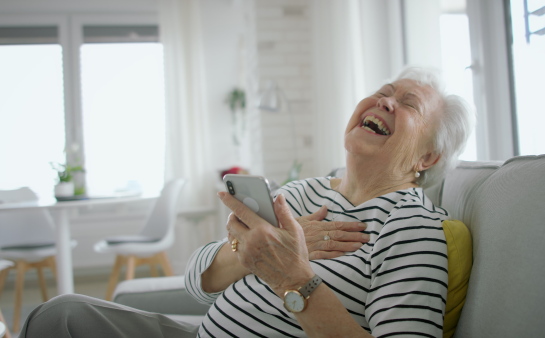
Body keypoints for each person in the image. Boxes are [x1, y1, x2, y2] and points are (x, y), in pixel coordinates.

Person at [18, 66, 473, 338]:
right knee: (60, 316)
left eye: (407, 102)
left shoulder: (413, 229)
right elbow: (199, 281)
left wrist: (294, 275)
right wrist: (246, 255)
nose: (385, 101)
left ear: (427, 157)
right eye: (383, 92)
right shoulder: (302, 192)